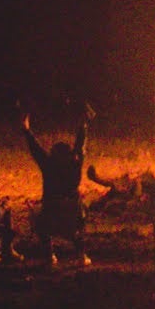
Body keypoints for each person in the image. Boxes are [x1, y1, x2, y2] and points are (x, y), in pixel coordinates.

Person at [19, 105, 93, 265]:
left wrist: (26, 131)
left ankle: (49, 255)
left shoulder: (49, 166)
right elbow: (80, 146)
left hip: (50, 219)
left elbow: (36, 149)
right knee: (79, 220)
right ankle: (81, 255)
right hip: (72, 219)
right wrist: (84, 124)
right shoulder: (75, 165)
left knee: (38, 220)